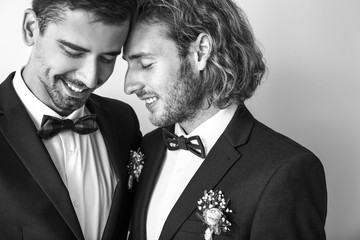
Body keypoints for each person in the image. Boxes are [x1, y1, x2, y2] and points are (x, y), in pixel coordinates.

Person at [123, 0, 327, 239]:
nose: (129, 85)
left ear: (201, 52)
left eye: (146, 64)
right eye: (128, 65)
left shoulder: (285, 170)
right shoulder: (148, 146)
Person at [0, 0, 141, 239]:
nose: (90, 78)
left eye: (107, 59)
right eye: (73, 52)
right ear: (31, 28)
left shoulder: (124, 121)